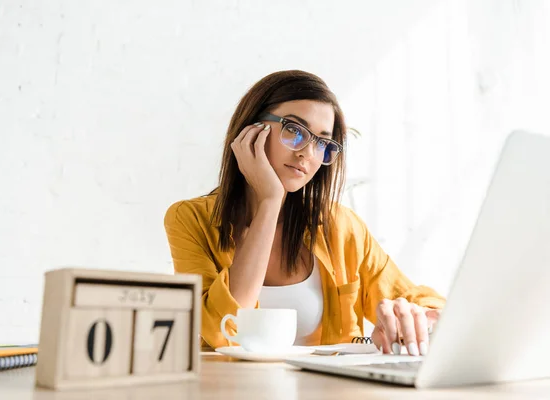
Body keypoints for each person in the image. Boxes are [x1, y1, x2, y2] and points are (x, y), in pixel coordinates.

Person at [164, 70, 445, 356]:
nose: (308, 154)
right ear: (251, 130)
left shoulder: (341, 227)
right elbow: (219, 331)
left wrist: (421, 318)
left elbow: (416, 302)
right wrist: (270, 202)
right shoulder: (190, 219)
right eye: (295, 131)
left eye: (322, 142)